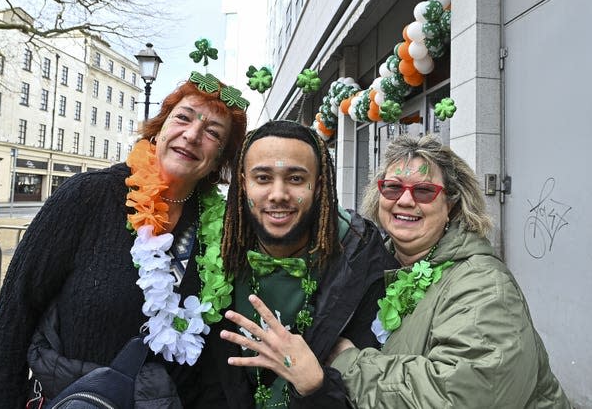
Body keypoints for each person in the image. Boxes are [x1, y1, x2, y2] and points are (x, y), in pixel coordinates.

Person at [0, 75, 248, 407]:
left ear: (220, 159)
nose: (192, 135)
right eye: (183, 117)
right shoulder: (88, 196)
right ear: (159, 127)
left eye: (213, 133)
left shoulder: (220, 229)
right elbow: (14, 314)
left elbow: (212, 360)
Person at [326, 135, 570, 408]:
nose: (405, 200)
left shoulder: (484, 286)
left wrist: (347, 363)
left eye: (424, 191)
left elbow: (459, 397)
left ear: (451, 204)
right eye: (393, 188)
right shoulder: (375, 262)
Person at [215, 120, 399, 408]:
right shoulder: (215, 249)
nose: (278, 194)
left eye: (296, 179)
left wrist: (317, 386)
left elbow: (374, 393)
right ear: (243, 184)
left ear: (319, 186)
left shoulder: (362, 259)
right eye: (262, 178)